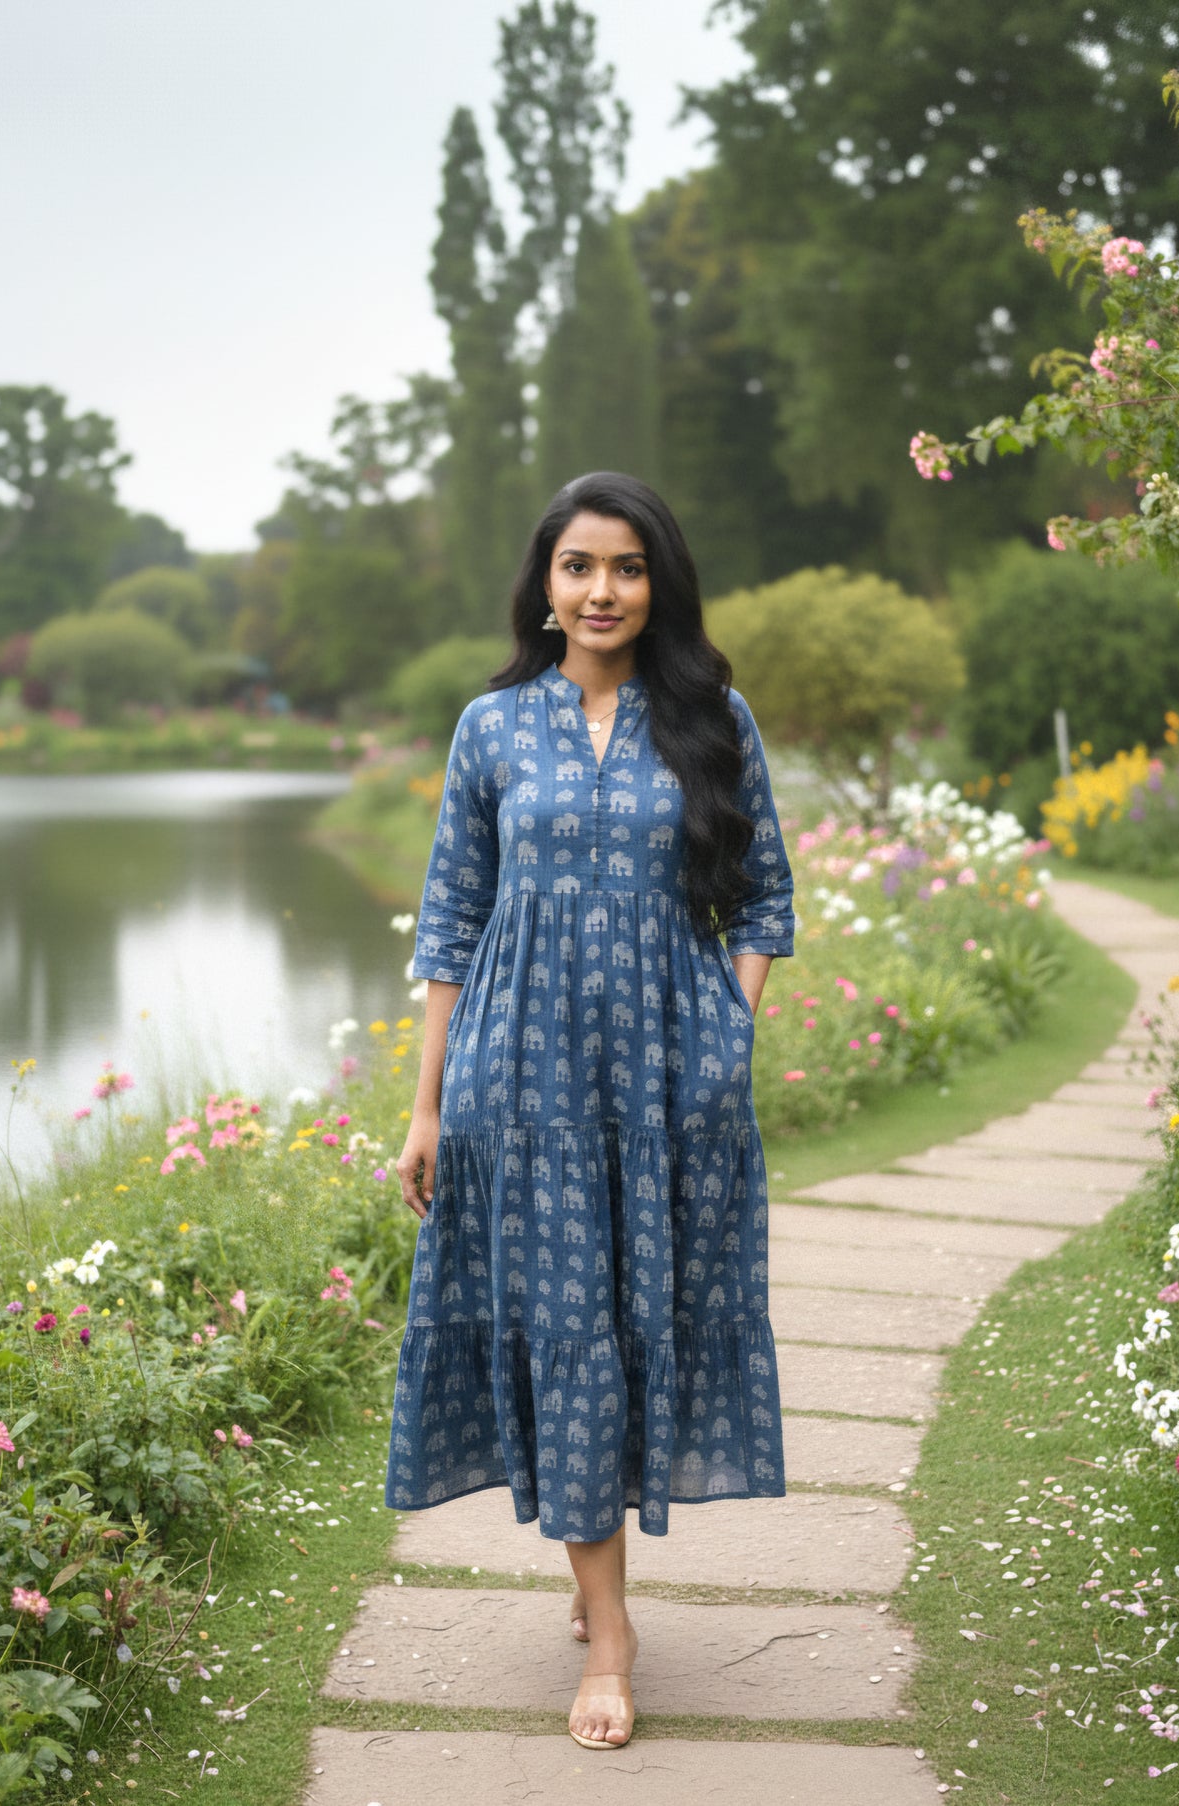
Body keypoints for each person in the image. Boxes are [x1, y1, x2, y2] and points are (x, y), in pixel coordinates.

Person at [385, 470, 796, 1751]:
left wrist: (726, 1026)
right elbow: (448, 922)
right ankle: (607, 1633)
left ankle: (593, 1571)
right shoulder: (491, 727)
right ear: (544, 585)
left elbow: (765, 898)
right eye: (578, 567)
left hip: (673, 1085)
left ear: (655, 582)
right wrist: (427, 1107)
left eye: (625, 567)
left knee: (643, 1316)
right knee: (565, 1329)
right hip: (522, 1082)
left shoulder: (711, 720)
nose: (602, 590)